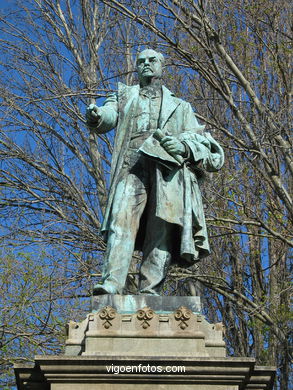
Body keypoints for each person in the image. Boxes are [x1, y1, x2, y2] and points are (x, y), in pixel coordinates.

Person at [86, 49, 224, 295]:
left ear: (162, 66)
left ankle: (150, 289)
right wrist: (97, 116)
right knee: (121, 219)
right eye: (141, 61)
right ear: (136, 67)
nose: (146, 64)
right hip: (132, 165)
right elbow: (108, 116)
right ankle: (112, 283)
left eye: (152, 60)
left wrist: (182, 145)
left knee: (161, 227)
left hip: (167, 171)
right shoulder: (123, 95)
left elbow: (201, 142)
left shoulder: (181, 106)